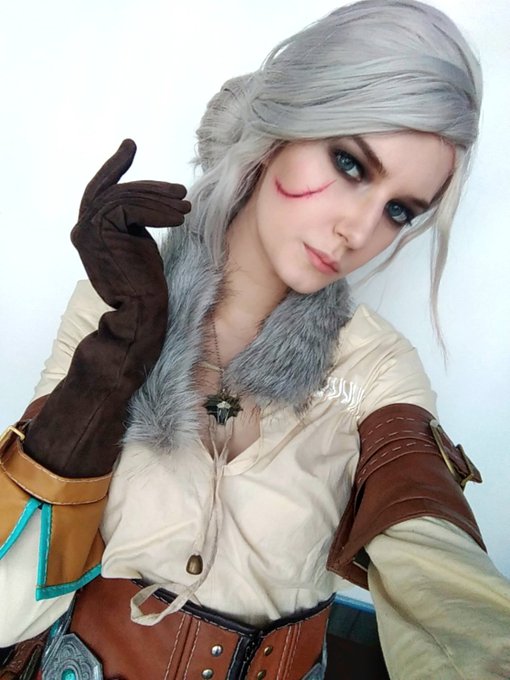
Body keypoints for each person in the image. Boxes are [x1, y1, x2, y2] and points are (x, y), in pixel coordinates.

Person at [1, 0, 509, 678]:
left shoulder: (376, 365)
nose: (360, 230)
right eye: (350, 164)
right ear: (278, 131)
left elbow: (433, 555)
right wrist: (122, 348)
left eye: (398, 210)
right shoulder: (112, 303)